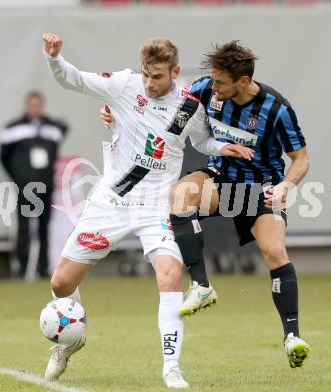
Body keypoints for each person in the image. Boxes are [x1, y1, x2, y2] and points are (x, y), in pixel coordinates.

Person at [42, 32, 253, 388]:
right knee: (61, 283)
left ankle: (172, 368)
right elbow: (73, 79)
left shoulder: (189, 106)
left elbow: (201, 140)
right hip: (112, 200)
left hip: (157, 205)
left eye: (158, 77)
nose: (150, 83)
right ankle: (69, 339)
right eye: (146, 75)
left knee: (170, 277)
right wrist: (54, 58)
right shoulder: (123, 85)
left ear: (175, 72)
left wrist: (223, 147)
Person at [101, 40, 311, 369]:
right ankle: (201, 285)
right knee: (181, 196)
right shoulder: (204, 90)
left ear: (243, 81)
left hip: (261, 188)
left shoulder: (275, 109)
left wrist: (287, 184)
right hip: (222, 176)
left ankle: (292, 337)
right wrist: (117, 115)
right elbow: (163, 105)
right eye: (211, 80)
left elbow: (301, 159)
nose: (213, 87)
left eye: (220, 82)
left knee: (274, 252)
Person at [0, 91, 68, 279]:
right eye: (32, 105)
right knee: (24, 227)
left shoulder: (51, 128)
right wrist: (18, 177)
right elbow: (3, 156)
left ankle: (43, 268)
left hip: (45, 184)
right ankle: (22, 268)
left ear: (42, 106)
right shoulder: (14, 128)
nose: (35, 108)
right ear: (27, 106)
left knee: (44, 228)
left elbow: (58, 141)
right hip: (25, 186)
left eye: (38, 105)